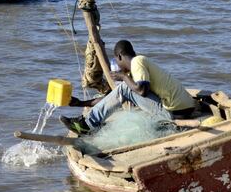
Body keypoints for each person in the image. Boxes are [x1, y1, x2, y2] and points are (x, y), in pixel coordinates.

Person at [60, 39, 197, 135]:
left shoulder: (137, 62)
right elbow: (114, 98)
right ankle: (89, 121)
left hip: (175, 113)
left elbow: (142, 91)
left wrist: (124, 77)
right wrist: (81, 103)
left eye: (117, 61)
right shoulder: (139, 66)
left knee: (125, 88)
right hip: (183, 109)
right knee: (125, 90)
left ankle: (86, 125)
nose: (118, 66)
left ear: (119, 56)